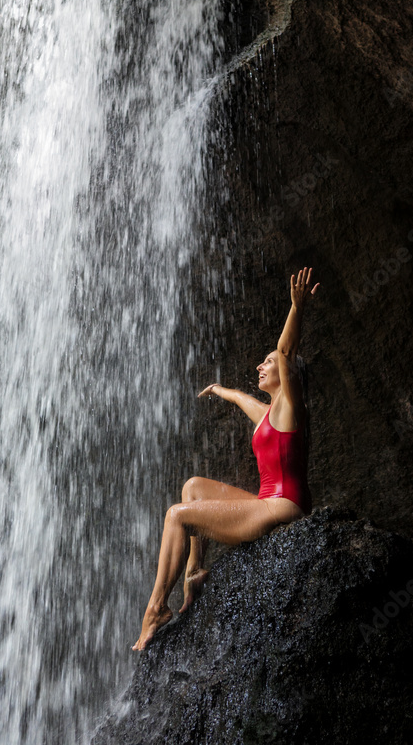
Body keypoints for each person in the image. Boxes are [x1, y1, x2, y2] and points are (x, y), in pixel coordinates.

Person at [132, 266, 319, 651]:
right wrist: (219, 389)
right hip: (266, 503)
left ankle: (156, 610)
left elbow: (285, 351)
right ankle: (195, 570)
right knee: (192, 488)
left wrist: (296, 309)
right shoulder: (269, 413)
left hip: (284, 507)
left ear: (288, 375)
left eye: (267, 363)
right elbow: (241, 398)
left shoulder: (290, 406)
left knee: (177, 515)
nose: (261, 366)